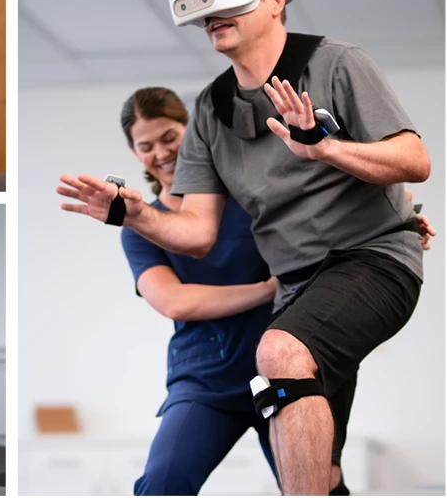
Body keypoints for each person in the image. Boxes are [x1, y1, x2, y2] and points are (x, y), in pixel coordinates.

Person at [58, 0, 435, 496]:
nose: (214, 13)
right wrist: (130, 215)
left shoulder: (337, 63)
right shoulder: (210, 110)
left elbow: (415, 160)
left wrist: (328, 148)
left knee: (278, 350)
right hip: (291, 300)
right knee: (316, 469)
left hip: (368, 261)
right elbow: (198, 234)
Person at [118, 88, 432, 497]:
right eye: (146, 146)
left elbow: (333, 217)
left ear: (193, 133)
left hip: (285, 368)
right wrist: (270, 288)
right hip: (207, 382)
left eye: (169, 137)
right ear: (134, 152)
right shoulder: (142, 225)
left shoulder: (248, 194)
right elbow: (176, 301)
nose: (160, 153)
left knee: (319, 484)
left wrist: (400, 227)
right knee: (162, 484)